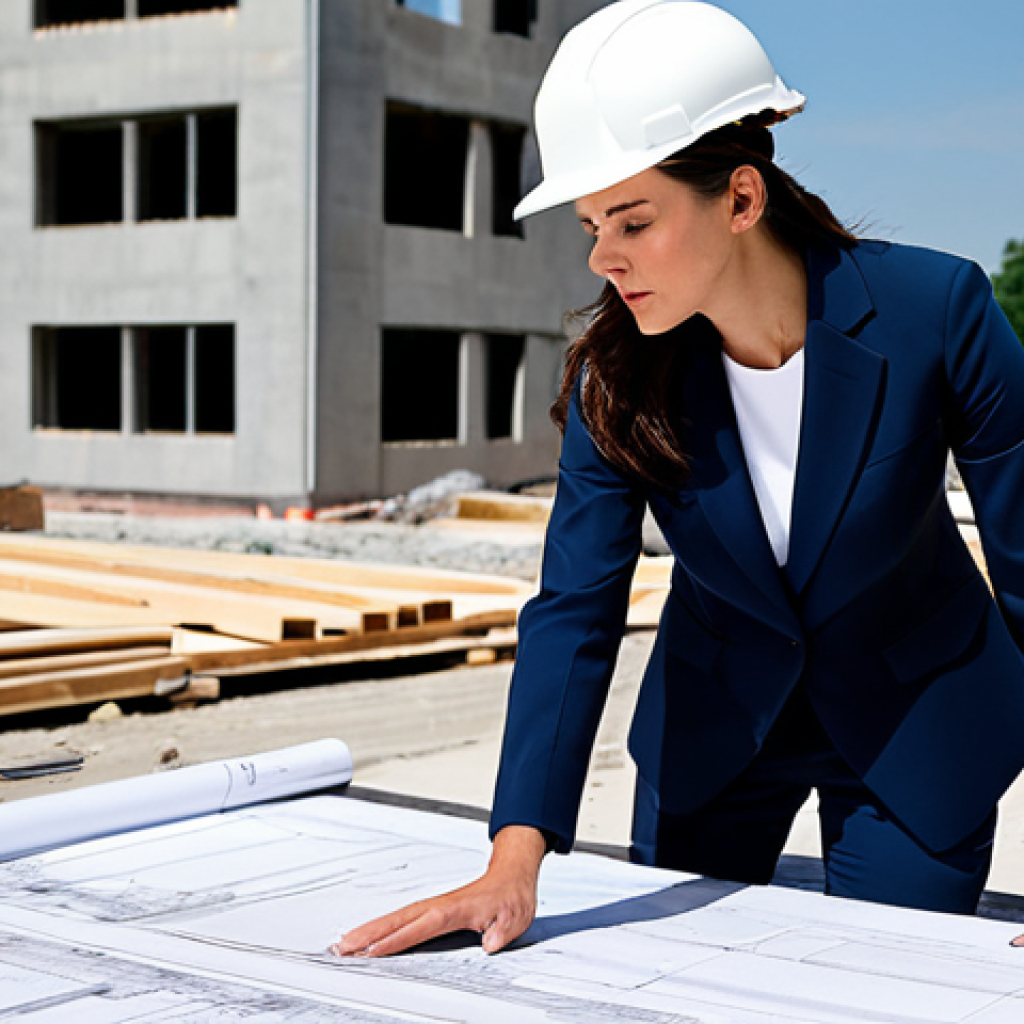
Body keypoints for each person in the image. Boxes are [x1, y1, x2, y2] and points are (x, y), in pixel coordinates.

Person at [333, 0, 1024, 957]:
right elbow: (573, 607)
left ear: (741, 199)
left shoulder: (937, 312)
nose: (601, 256)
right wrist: (514, 854)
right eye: (589, 224)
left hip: (916, 727)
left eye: (633, 219)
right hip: (716, 732)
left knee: (888, 983)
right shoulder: (616, 379)